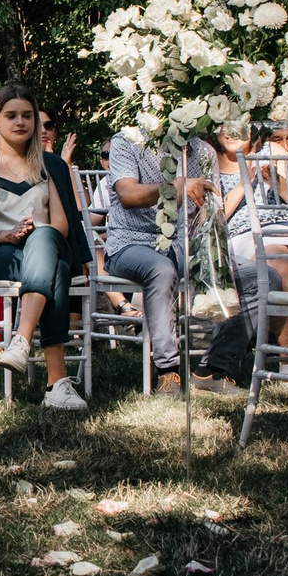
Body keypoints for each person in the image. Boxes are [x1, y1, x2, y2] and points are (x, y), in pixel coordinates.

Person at [0, 84, 93, 409]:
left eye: (28, 116)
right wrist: (7, 235)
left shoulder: (52, 166)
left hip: (43, 247)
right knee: (54, 267)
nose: (21, 122)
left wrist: (33, 233)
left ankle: (21, 340)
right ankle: (57, 384)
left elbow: (62, 225)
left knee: (47, 244)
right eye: (11, 115)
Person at [101, 126, 190, 389]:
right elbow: (128, 195)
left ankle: (216, 367)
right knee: (161, 268)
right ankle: (168, 371)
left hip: (184, 241)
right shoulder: (126, 141)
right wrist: (174, 187)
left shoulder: (199, 147)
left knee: (247, 272)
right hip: (129, 243)